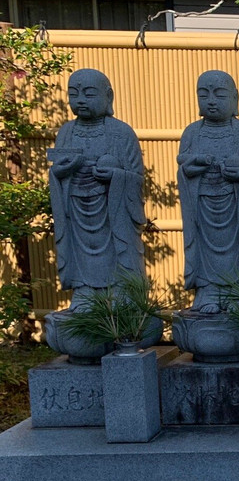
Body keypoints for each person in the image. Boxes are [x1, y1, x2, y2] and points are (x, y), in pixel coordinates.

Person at [49, 69, 146, 308]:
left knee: (118, 247)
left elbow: (136, 177)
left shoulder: (121, 133)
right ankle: (85, 292)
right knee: (80, 250)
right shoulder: (66, 132)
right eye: (74, 94)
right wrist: (59, 172)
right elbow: (56, 170)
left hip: (111, 209)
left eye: (89, 94)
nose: (80, 100)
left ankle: (122, 290)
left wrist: (115, 175)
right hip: (76, 208)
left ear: (108, 96)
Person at [177, 70, 239, 313]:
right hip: (202, 204)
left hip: (237, 207)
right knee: (204, 248)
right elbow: (183, 167)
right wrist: (190, 171)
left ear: (235, 98)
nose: (211, 100)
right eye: (204, 95)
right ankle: (207, 292)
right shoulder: (191, 133)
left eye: (219, 94)